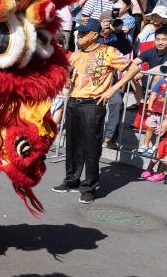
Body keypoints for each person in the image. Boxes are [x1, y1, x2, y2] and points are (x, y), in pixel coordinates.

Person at [54, 19, 135, 203]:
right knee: (72, 143)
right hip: (74, 101)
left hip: (93, 103)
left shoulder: (108, 51)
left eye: (84, 33)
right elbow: (70, 75)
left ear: (95, 35)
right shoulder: (77, 54)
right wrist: (67, 79)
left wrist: (112, 90)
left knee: (91, 146)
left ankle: (89, 186)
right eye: (79, 33)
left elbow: (133, 68)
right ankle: (71, 180)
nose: (80, 35)